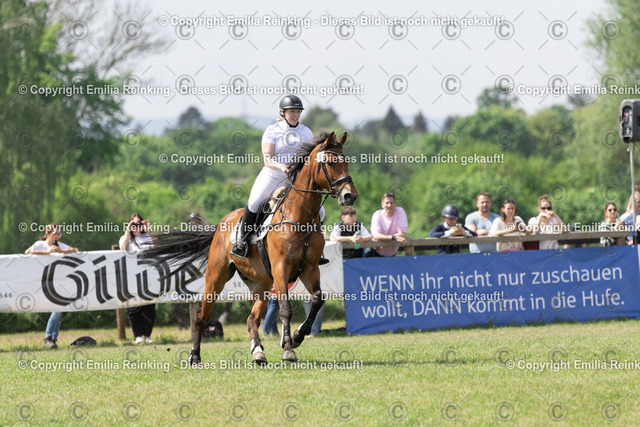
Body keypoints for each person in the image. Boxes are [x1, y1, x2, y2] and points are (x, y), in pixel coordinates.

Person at [230, 95, 325, 259]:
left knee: (320, 211)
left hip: (295, 179)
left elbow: (310, 158)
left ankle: (315, 246)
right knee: (254, 202)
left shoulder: (306, 132)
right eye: (292, 111)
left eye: (298, 111)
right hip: (273, 175)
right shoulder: (272, 130)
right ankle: (242, 242)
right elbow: (267, 159)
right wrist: (281, 166)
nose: (295, 115)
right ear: (283, 112)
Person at [25, 224, 79, 348]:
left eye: (59, 234)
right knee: (57, 310)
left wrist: (61, 251)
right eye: (55, 234)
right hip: (43, 282)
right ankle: (49, 337)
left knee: (58, 310)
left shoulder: (59, 245)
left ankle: (52, 339)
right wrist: (47, 252)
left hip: (58, 282)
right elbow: (27, 252)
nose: (57, 236)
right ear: (47, 234)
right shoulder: (40, 244)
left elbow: (76, 250)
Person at [119, 213, 155, 344]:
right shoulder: (125, 238)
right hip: (131, 276)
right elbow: (124, 249)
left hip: (147, 275)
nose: (137, 226)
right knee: (133, 307)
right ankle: (138, 335)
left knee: (149, 306)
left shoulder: (147, 237)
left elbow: (157, 247)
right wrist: (128, 230)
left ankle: (148, 335)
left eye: (139, 223)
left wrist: (149, 229)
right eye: (134, 223)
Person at [370, 192, 409, 257]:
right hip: (374, 253)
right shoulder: (377, 215)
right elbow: (376, 236)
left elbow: (402, 234)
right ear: (382, 204)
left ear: (395, 204)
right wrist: (394, 238)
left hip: (392, 254)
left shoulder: (400, 211)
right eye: (387, 203)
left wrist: (384, 238)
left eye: (391, 203)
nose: (389, 205)